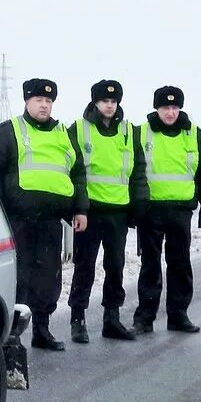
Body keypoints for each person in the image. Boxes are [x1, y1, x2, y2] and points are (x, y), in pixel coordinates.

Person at [0, 78, 88, 351]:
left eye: (49, 101)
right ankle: (11, 336)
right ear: (27, 101)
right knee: (19, 277)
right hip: (17, 220)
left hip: (52, 221)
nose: (44, 105)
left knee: (48, 278)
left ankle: (42, 330)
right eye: (39, 100)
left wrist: (80, 209)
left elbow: (77, 173)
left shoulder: (64, 134)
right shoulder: (8, 131)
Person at [66, 80, 148, 343]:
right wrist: (77, 208)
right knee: (85, 266)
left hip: (118, 212)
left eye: (113, 101)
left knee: (116, 267)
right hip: (89, 212)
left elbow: (138, 173)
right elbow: (73, 171)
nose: (109, 106)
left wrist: (138, 208)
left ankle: (111, 319)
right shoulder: (79, 129)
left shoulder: (129, 131)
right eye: (104, 101)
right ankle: (77, 319)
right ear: (95, 102)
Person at [132, 85, 201, 334]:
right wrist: (135, 206)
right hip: (151, 209)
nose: (170, 113)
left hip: (181, 210)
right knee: (150, 264)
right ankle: (144, 318)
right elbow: (133, 170)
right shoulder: (141, 133)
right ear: (156, 108)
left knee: (180, 263)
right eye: (165, 108)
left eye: (174, 107)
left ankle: (178, 315)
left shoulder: (194, 134)